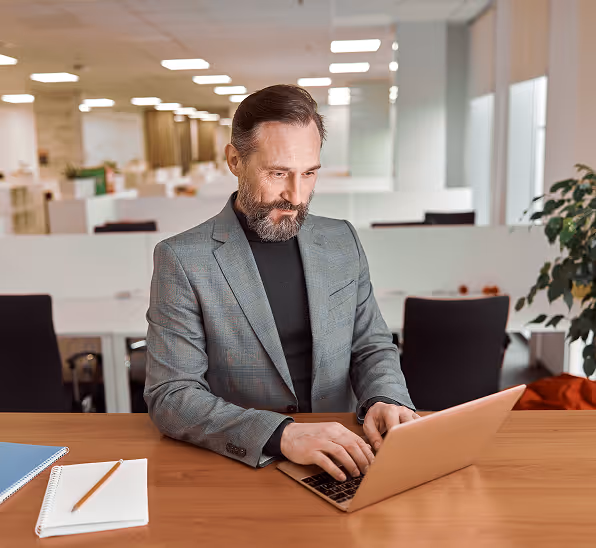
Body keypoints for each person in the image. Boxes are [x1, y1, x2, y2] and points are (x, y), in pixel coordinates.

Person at [145, 84, 417, 482]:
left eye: (309, 174)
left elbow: (371, 345)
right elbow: (171, 396)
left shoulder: (342, 240)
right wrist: (280, 434)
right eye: (278, 173)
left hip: (347, 455)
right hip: (247, 465)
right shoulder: (183, 259)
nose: (296, 195)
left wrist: (385, 398)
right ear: (235, 160)